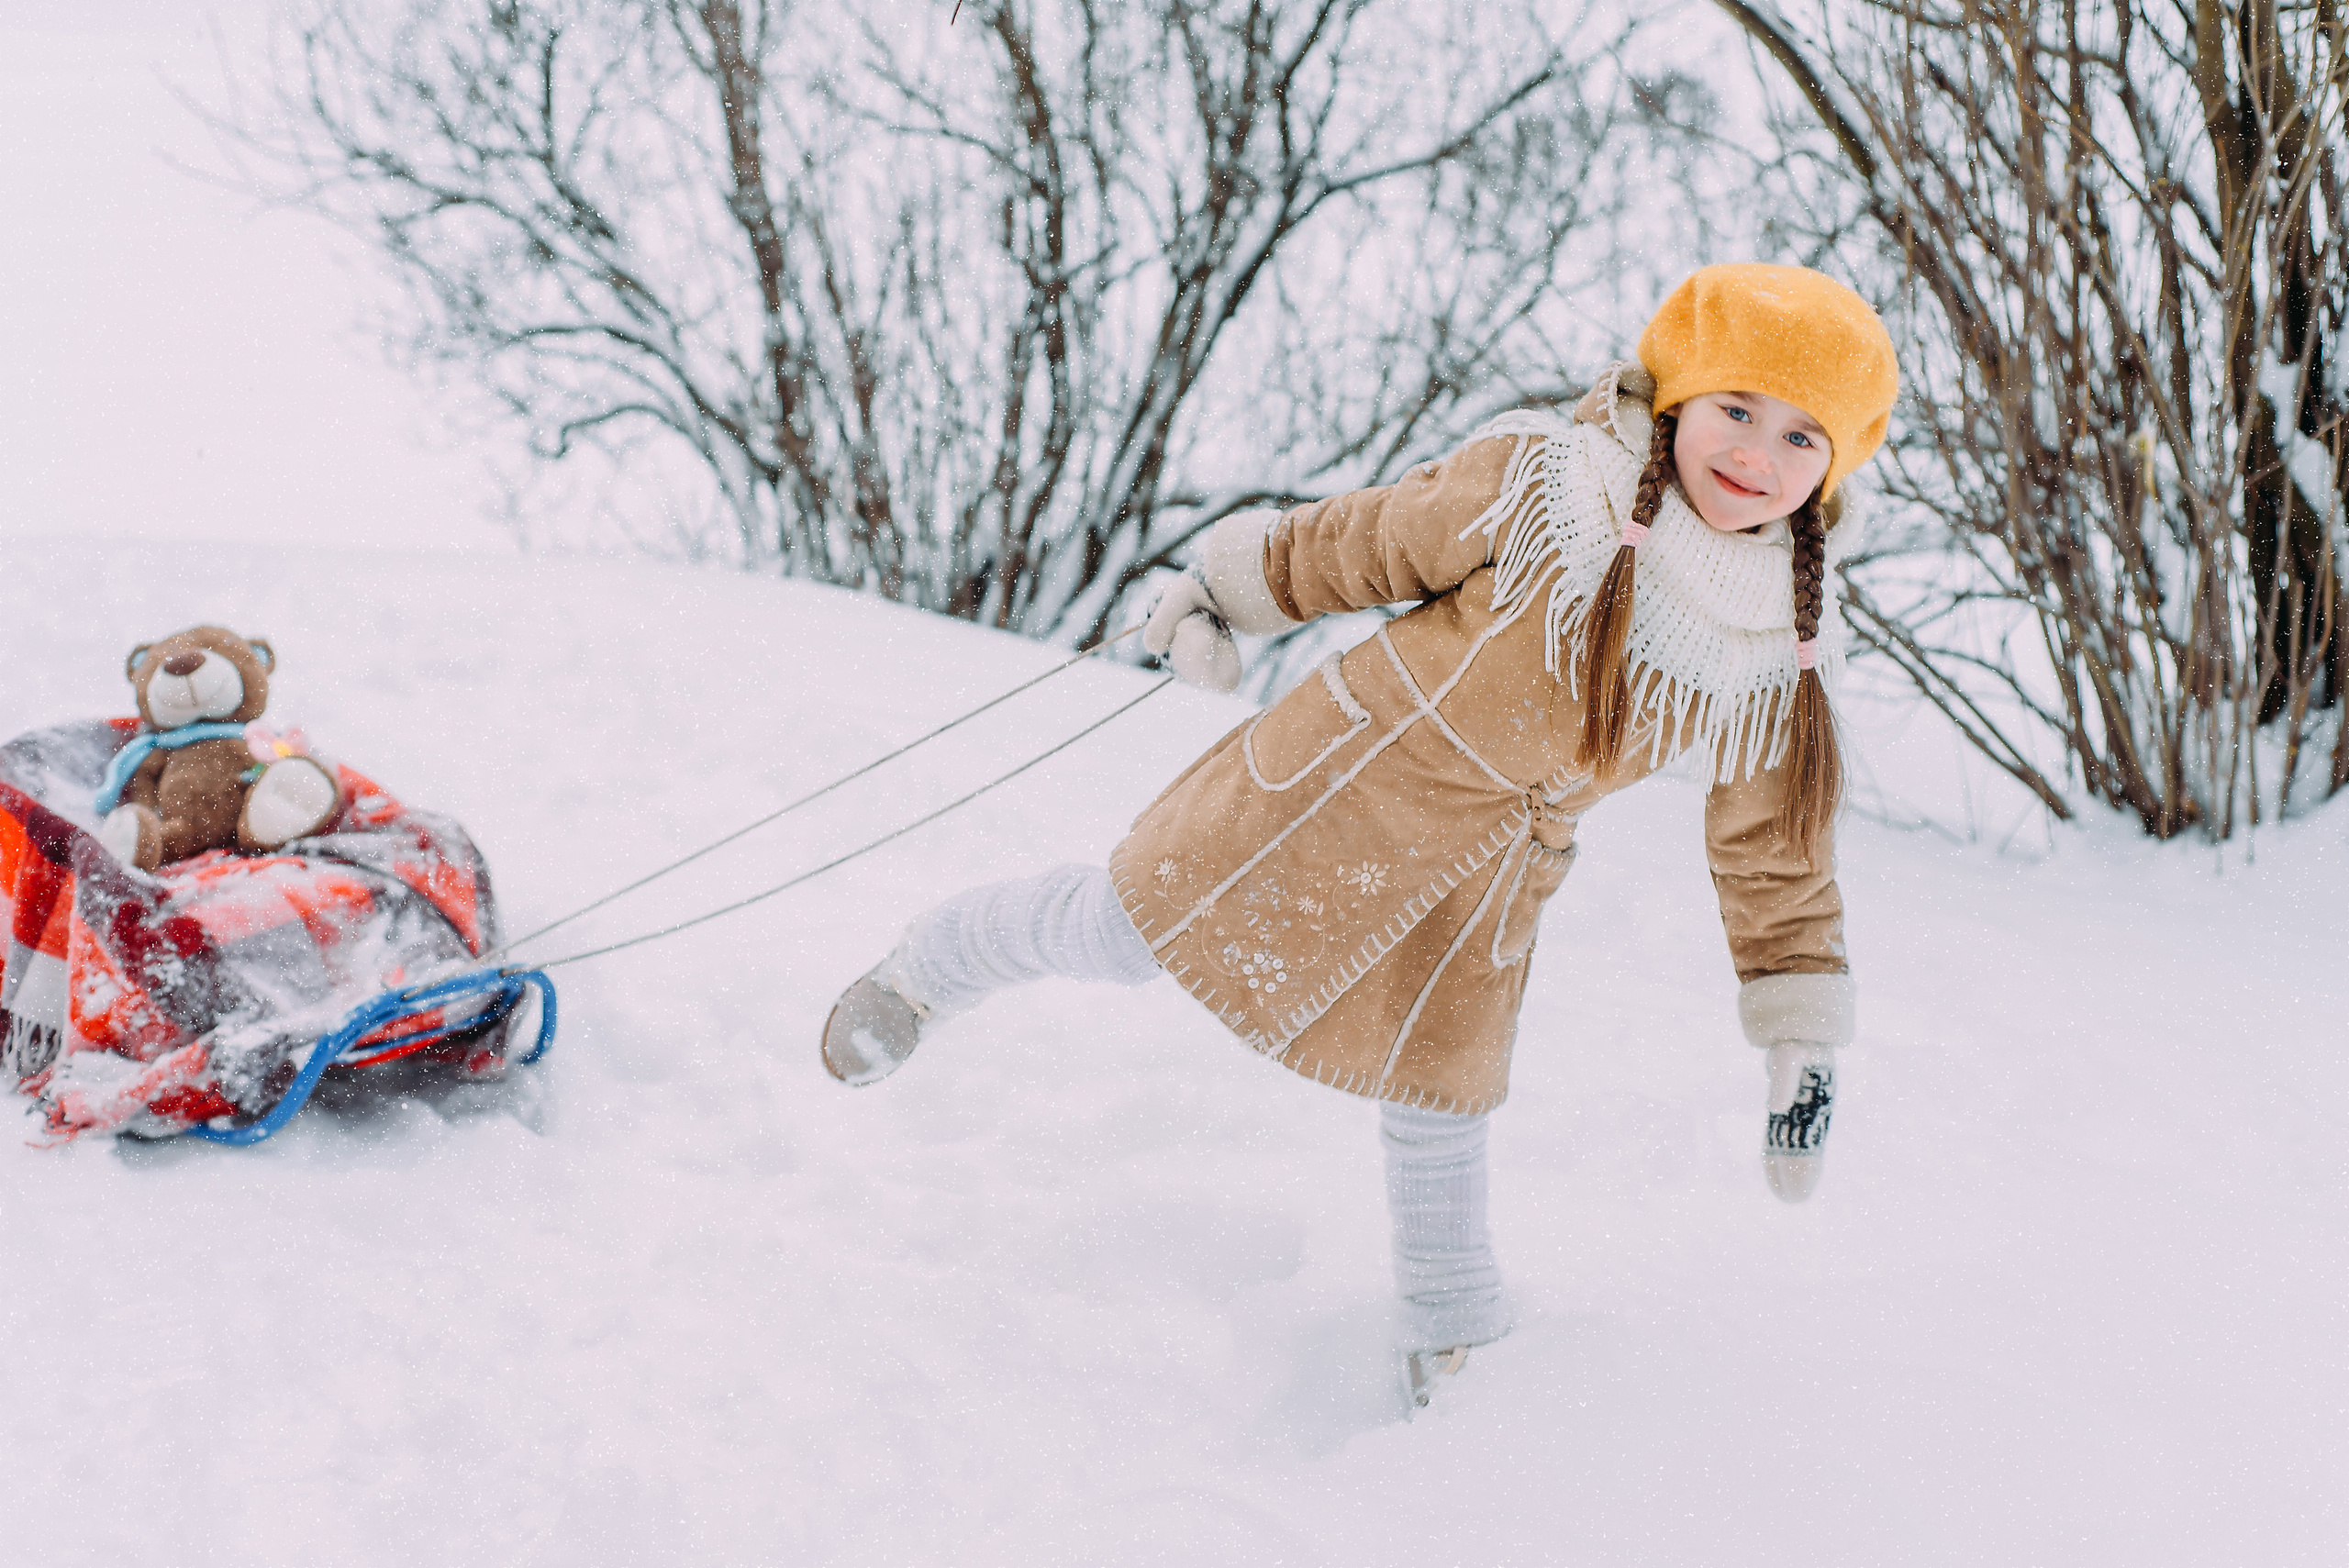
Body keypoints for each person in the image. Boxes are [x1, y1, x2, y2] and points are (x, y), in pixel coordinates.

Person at [820, 263, 1899, 1412]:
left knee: (1443, 1093)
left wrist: (1797, 1031)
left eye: (1801, 436)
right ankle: (925, 971)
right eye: (1737, 409)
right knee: (1129, 925)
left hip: (1494, 870)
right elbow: (1370, 541)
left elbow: (1775, 844)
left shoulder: (1777, 642)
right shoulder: (1546, 484)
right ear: (1679, 400)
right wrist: (1228, 591)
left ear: (1835, 464)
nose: (1756, 455)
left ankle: (1456, 1332)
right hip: (1346, 774)